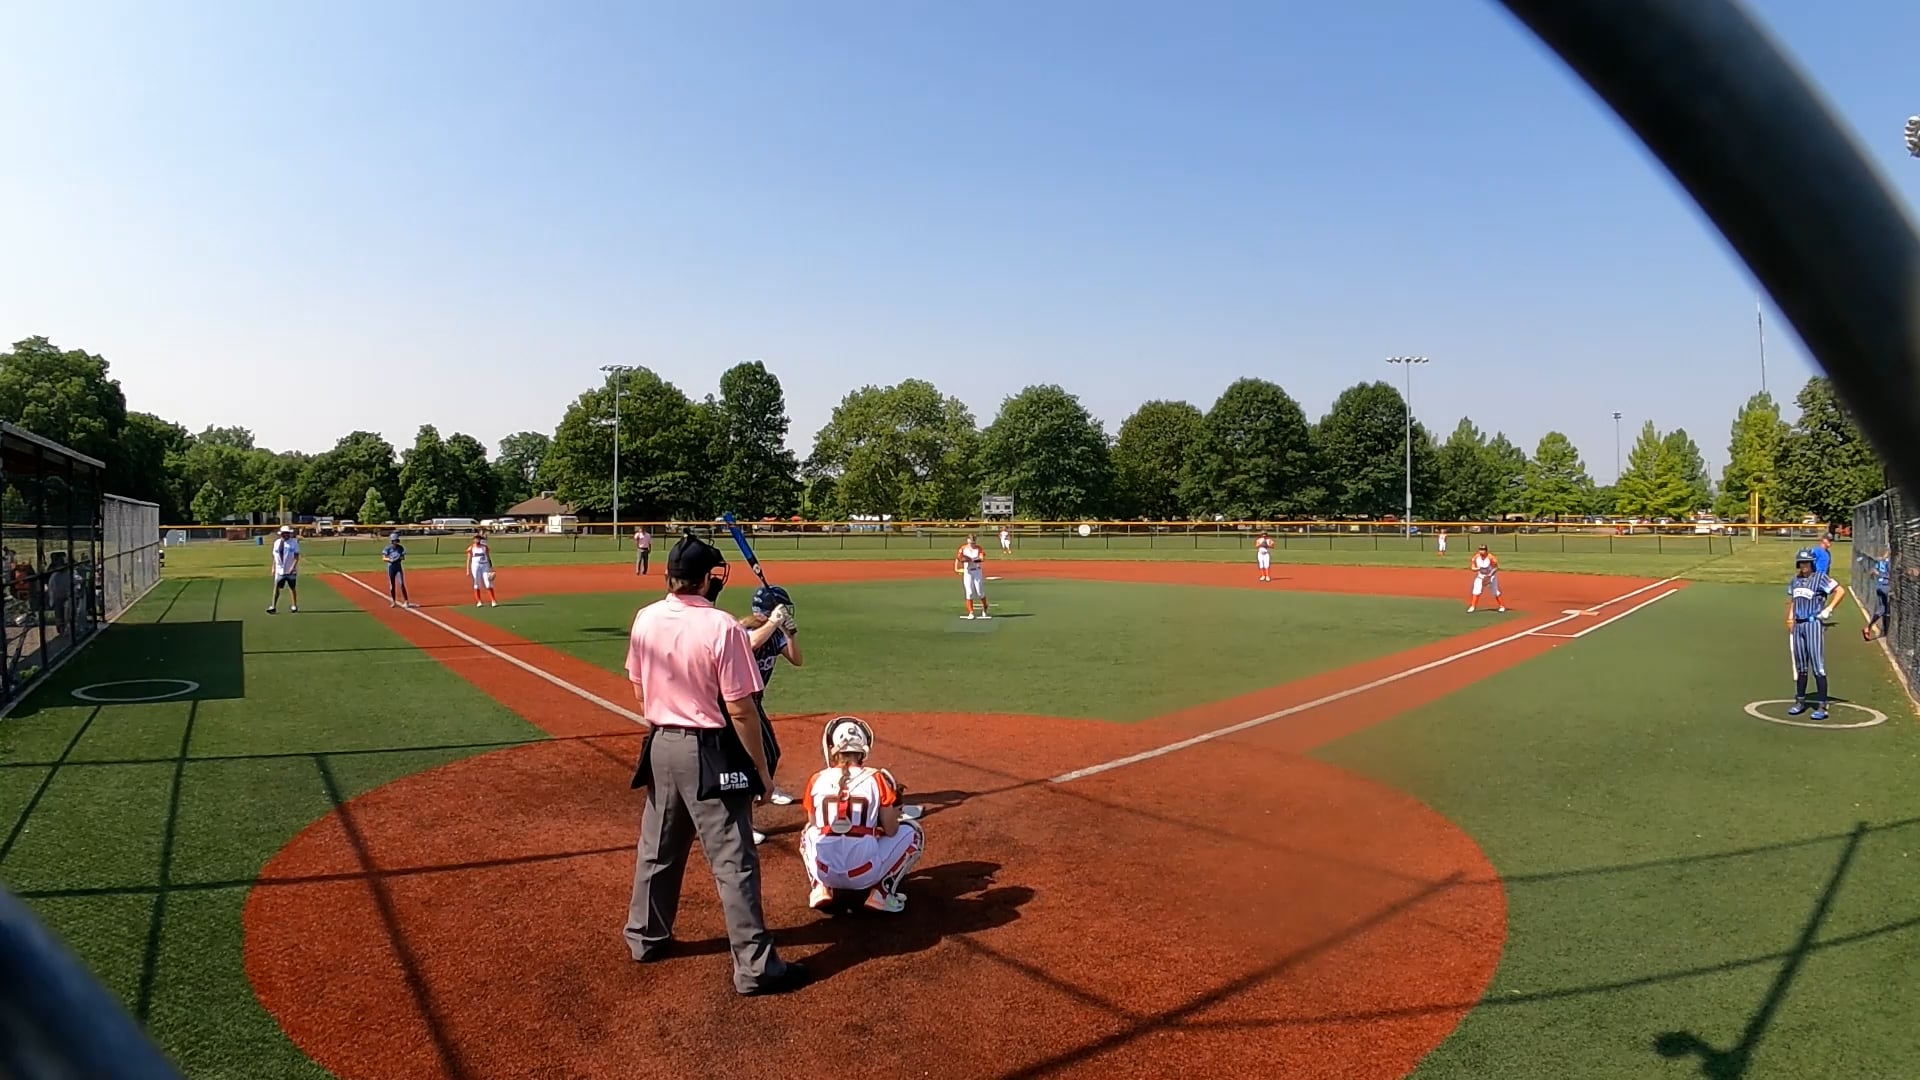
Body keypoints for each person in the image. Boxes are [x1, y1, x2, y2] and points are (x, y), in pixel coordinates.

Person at [623, 532, 807, 994]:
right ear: (707, 579)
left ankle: (645, 937)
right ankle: (756, 968)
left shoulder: (646, 617)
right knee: (733, 860)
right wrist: (761, 771)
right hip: (708, 748)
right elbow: (741, 710)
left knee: (658, 849)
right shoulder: (722, 627)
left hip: (660, 744)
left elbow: (639, 689)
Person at [800, 716, 925, 914]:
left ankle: (820, 887)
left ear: (833, 749)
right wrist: (877, 824)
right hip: (864, 874)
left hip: (825, 872)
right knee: (914, 832)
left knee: (808, 832)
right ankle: (882, 893)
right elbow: (891, 830)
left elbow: (814, 823)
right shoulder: (876, 778)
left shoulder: (816, 779)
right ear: (863, 750)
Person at [741, 584, 804, 844]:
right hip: (736, 704)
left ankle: (763, 786)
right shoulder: (743, 630)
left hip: (755, 702)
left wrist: (790, 634)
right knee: (751, 760)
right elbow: (750, 644)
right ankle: (743, 822)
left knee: (770, 754)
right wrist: (772, 623)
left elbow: (797, 660)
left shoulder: (775, 635)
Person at [1787, 548, 1846, 720]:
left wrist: (1829, 609)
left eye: (1806, 562)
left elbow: (1840, 591)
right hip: (1798, 625)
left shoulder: (1820, 578)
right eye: (1801, 563)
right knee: (1801, 667)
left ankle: (1822, 705)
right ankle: (1800, 701)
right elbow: (1793, 601)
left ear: (1812, 563)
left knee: (1817, 666)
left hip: (1813, 624)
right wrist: (1790, 618)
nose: (1804, 566)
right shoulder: (1795, 581)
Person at [955, 533, 990, 619]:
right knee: (969, 592)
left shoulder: (978, 548)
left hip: (977, 571)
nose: (972, 544)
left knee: (980, 592)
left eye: (973, 542)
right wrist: (962, 561)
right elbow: (959, 558)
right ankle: (971, 612)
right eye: (970, 542)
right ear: (967, 541)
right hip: (968, 572)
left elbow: (981, 558)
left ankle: (985, 608)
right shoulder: (963, 548)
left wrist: (973, 560)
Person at [268, 525, 300, 614]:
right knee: (276, 588)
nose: (285, 535)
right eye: (284, 533)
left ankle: (294, 605)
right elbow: (275, 557)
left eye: (287, 533)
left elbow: (296, 556)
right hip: (279, 570)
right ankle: (273, 606)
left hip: (290, 570)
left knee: (292, 587)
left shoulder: (293, 542)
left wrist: (292, 567)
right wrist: (273, 567)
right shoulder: (276, 543)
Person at [1468, 544, 1506, 613]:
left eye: (1483, 550)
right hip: (1480, 576)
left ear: (1486, 550)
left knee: (1495, 592)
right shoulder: (1475, 557)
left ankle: (1502, 606)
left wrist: (1489, 576)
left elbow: (1496, 568)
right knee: (1476, 591)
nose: (1481, 551)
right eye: (1480, 549)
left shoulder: (1491, 558)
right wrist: (1478, 568)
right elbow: (1472, 568)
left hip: (1491, 577)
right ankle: (1472, 606)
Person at [1864, 548, 1892, 641]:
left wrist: (1876, 574)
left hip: (1879, 586)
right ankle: (1887, 629)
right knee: (1889, 607)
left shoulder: (1880, 561)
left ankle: (1868, 627)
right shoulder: (1889, 562)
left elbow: (1873, 571)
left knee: (1881, 609)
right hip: (1886, 586)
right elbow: (1890, 575)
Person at [467, 530, 498, 607]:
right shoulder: (471, 548)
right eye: (476, 538)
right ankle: (479, 601)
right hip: (475, 566)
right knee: (477, 583)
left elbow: (488, 557)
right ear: (473, 540)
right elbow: (468, 559)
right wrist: (467, 570)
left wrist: (491, 567)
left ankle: (493, 601)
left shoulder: (484, 547)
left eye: (478, 538)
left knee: (488, 583)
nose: (477, 540)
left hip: (485, 566)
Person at [382, 532, 412, 608]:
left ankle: (406, 601)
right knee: (392, 585)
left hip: (398, 567)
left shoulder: (400, 548)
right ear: (391, 541)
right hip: (391, 568)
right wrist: (390, 559)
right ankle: (393, 601)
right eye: (394, 540)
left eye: (396, 540)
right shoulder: (387, 548)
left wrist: (399, 558)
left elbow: (403, 557)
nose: (395, 542)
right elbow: (384, 558)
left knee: (401, 584)